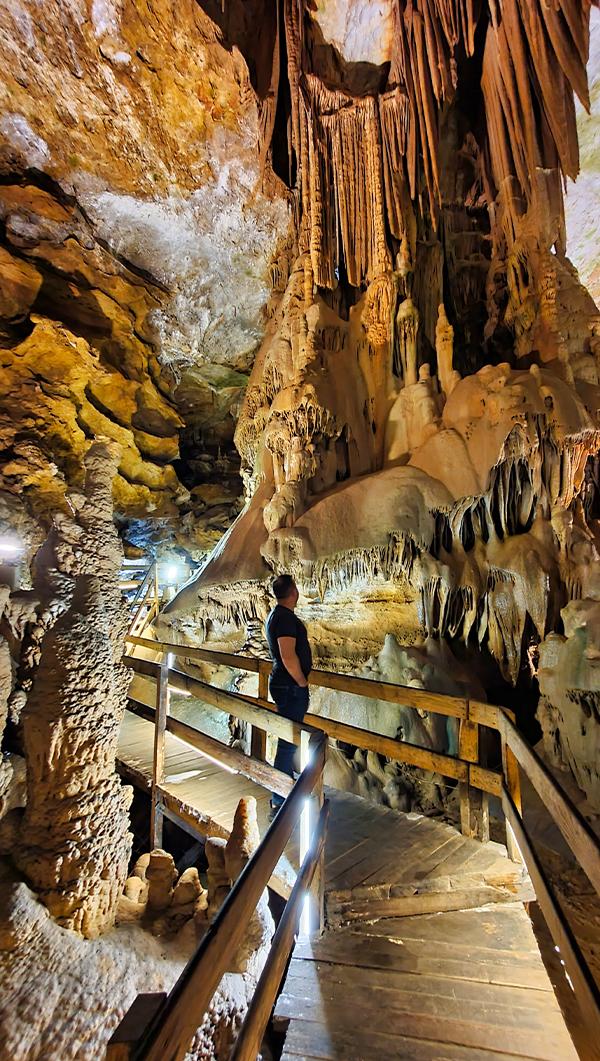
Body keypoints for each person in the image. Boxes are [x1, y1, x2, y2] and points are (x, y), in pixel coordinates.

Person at [264, 573, 312, 816]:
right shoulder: (284, 618)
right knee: (287, 744)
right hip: (290, 687)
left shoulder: (277, 615)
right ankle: (279, 799)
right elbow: (287, 655)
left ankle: (283, 791)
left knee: (289, 741)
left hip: (284, 684)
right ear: (294, 592)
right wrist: (301, 682)